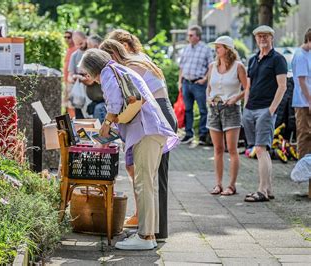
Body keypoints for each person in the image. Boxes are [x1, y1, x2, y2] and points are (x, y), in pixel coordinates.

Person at [79, 48, 178, 250]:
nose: (90, 79)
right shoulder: (120, 69)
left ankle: (145, 237)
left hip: (146, 132)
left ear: (92, 68)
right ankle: (149, 232)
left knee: (143, 184)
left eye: (87, 73)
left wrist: (106, 124)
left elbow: (115, 103)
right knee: (149, 184)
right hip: (153, 129)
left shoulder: (108, 73)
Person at [243, 25, 287, 202]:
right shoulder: (253, 60)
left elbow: (282, 86)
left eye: (266, 36)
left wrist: (270, 111)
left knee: (261, 149)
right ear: (256, 39)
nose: (262, 38)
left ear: (272, 38)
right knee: (261, 150)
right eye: (259, 36)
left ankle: (261, 190)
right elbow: (248, 86)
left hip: (265, 110)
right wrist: (245, 106)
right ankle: (268, 188)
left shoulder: (278, 59)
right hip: (250, 109)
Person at [206, 36, 247, 196]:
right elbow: (209, 87)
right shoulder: (212, 66)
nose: (216, 49)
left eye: (219, 47)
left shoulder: (238, 66)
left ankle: (231, 185)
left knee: (232, 149)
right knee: (217, 148)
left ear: (227, 49)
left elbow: (247, 88)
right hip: (215, 108)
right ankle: (218, 184)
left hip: (231, 109)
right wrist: (208, 98)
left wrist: (236, 98)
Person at [178, 25, 214, 145]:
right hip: (186, 83)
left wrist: (204, 79)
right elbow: (181, 67)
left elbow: (211, 66)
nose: (188, 37)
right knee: (188, 110)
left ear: (198, 36)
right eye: (188, 35)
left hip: (199, 84)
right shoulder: (186, 48)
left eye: (191, 35)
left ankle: (203, 135)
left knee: (203, 110)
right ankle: (188, 134)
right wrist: (180, 81)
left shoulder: (206, 49)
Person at [291, 28, 311, 159]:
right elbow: (302, 81)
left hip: (307, 101)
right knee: (304, 134)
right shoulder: (300, 56)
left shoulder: (308, 52)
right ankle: (303, 167)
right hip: (303, 102)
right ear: (309, 40)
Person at [68, 31, 89, 119]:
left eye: (81, 43)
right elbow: (70, 75)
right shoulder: (74, 55)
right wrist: (75, 77)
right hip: (79, 92)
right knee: (79, 117)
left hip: (91, 93)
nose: (79, 46)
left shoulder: (91, 52)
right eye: (77, 44)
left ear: (86, 39)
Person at [63, 30, 77, 118]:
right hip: (66, 82)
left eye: (69, 37)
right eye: (65, 37)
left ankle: (73, 121)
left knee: (71, 104)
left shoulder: (76, 49)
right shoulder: (68, 49)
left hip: (72, 82)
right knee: (67, 105)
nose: (67, 39)